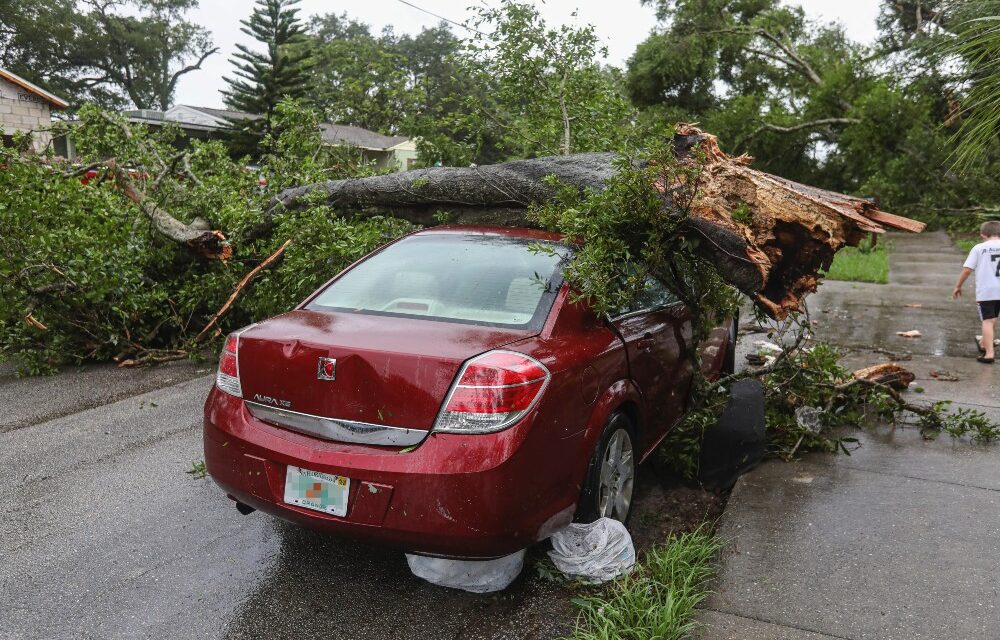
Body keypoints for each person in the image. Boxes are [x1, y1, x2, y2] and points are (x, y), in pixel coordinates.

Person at [953, 220, 1000, 364]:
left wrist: (958, 286)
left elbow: (967, 269)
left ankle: (989, 354)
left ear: (983, 235)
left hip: (987, 291)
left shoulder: (979, 248)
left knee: (987, 320)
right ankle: (984, 344)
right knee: (993, 318)